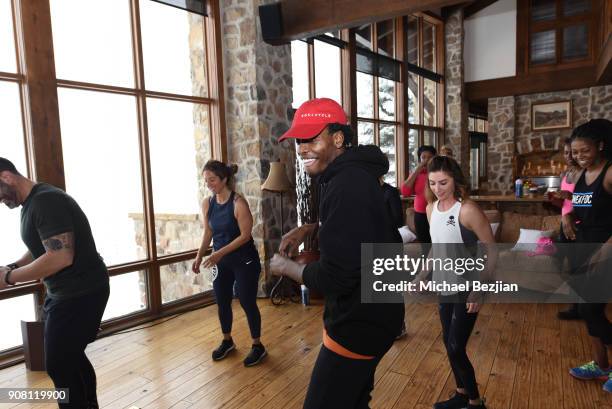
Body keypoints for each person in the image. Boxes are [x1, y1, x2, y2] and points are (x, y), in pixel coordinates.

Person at [270, 98, 404, 409]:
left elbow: (337, 276)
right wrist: (311, 228)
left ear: (338, 138)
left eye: (312, 138)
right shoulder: (353, 175)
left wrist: (288, 268)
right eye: (299, 141)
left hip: (358, 323)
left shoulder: (345, 185)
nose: (302, 148)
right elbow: (357, 226)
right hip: (376, 314)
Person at [0, 157, 109, 409]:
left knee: (59, 364)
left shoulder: (45, 201)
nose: (1, 202)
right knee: (69, 358)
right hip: (63, 293)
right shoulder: (34, 202)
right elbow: (43, 246)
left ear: (6, 177)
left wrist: (8, 278)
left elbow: (60, 256)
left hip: (81, 293)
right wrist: (13, 267)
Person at [425, 156, 495, 409]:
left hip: (467, 287)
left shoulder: (467, 210)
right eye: (432, 183)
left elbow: (491, 250)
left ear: (455, 179)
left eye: (443, 182)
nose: (437, 188)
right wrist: (421, 275)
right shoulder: (431, 209)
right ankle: (461, 394)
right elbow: (436, 247)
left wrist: (480, 290)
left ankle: (476, 402)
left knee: (455, 347)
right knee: (448, 342)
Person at [192, 160, 266, 367]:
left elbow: (245, 236)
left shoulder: (238, 203)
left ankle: (257, 345)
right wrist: (199, 256)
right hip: (222, 262)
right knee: (222, 300)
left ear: (224, 179)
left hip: (245, 260)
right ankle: (227, 340)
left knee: (246, 301)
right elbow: (208, 232)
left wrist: (218, 254)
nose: (209, 184)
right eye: (206, 180)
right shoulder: (208, 203)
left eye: (212, 180)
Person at [565, 119, 612, 394]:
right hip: (582, 248)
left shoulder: (608, 173)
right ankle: (600, 363)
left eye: (584, 151)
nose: (579, 156)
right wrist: (567, 217)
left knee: (591, 309)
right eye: (575, 152)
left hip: (604, 250)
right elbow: (573, 203)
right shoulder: (578, 175)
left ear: (601, 145)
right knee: (586, 309)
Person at [546, 137, 582, 320]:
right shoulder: (564, 174)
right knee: (558, 258)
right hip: (564, 223)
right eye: (566, 152)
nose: (569, 156)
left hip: (578, 225)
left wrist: (570, 195)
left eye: (572, 152)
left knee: (577, 267)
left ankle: (577, 308)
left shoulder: (584, 174)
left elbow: (587, 202)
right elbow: (564, 203)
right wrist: (555, 199)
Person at [401, 145, 436, 246]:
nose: (426, 160)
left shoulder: (439, 173)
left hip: (436, 212)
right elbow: (405, 192)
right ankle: (427, 261)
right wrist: (417, 170)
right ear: (419, 159)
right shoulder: (416, 173)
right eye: (423, 157)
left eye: (429, 157)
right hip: (420, 215)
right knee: (425, 245)